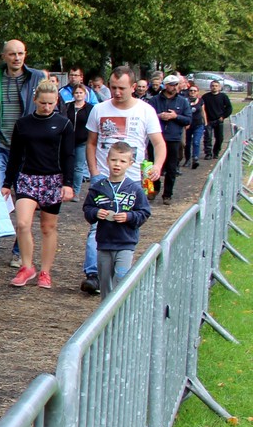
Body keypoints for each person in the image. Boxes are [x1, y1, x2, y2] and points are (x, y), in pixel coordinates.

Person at [80, 65, 165, 294]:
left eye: (122, 88)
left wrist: (156, 166)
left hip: (133, 179)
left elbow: (158, 143)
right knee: (96, 224)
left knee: (127, 223)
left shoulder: (146, 111)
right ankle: (93, 274)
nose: (117, 92)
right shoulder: (99, 109)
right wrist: (94, 172)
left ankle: (122, 272)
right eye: (113, 87)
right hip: (103, 178)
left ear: (133, 87)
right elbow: (91, 143)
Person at [0, 38, 45, 269]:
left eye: (20, 53)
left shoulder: (36, 78)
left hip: (27, 148)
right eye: (12, 54)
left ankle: (18, 252)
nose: (17, 58)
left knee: (25, 198)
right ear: (4, 56)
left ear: (25, 54)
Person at [2, 81, 75, 289]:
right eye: (43, 103)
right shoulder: (23, 124)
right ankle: (26, 266)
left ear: (57, 102)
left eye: (51, 103)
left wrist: (68, 183)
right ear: (35, 100)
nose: (46, 107)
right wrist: (7, 182)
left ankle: (45, 271)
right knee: (23, 223)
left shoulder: (63, 124)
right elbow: (15, 155)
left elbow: (68, 155)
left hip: (53, 179)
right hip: (27, 178)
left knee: (48, 227)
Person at [83, 142, 151, 299]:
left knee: (121, 280)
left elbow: (144, 212)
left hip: (125, 243)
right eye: (114, 160)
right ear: (107, 160)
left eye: (122, 161)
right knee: (105, 283)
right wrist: (96, 212)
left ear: (130, 164)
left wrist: (129, 217)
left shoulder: (134, 189)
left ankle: (120, 311)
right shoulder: (98, 188)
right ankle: (106, 311)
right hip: (104, 244)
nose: (117, 164)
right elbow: (87, 209)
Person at [149, 74, 191, 205]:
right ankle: (154, 188)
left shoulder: (183, 101)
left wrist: (175, 116)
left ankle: (167, 194)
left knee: (172, 168)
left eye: (176, 85)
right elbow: (147, 116)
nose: (174, 87)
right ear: (165, 86)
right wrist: (159, 116)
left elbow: (188, 119)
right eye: (171, 85)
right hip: (156, 137)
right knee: (153, 164)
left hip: (173, 138)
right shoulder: (155, 100)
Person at [62, 83, 94, 199]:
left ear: (85, 94)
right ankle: (65, 188)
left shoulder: (90, 108)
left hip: (82, 141)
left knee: (79, 167)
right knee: (66, 165)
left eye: (81, 93)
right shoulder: (67, 106)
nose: (78, 95)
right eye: (76, 93)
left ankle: (76, 192)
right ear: (73, 94)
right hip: (68, 140)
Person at [202, 79, 233, 159]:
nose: (214, 87)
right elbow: (201, 108)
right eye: (212, 86)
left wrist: (223, 117)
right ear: (210, 87)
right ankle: (208, 153)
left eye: (216, 86)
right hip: (208, 120)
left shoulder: (223, 97)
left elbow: (229, 108)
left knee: (219, 138)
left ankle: (216, 152)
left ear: (219, 87)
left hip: (219, 120)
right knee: (208, 138)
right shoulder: (205, 97)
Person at [184, 84, 205, 170]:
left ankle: (195, 158)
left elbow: (203, 112)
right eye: (191, 90)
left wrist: (205, 123)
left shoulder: (200, 101)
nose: (192, 92)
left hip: (198, 124)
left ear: (197, 92)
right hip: (188, 125)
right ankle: (187, 159)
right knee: (187, 143)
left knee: (196, 142)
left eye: (194, 91)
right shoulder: (185, 101)